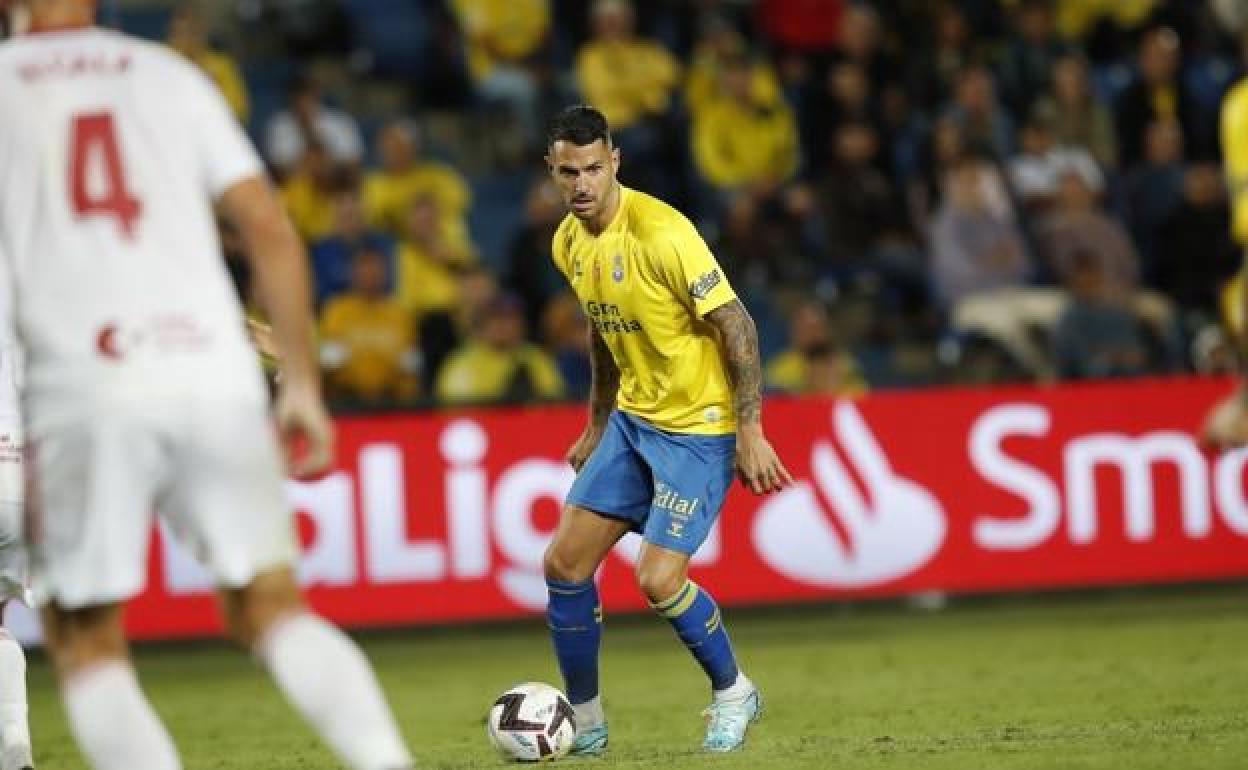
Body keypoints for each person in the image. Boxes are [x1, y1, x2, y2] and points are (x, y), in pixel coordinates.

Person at [0, 3, 413, 770]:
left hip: (84, 383)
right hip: (209, 368)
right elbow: (268, 227)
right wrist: (301, 382)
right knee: (272, 608)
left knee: (87, 641)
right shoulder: (170, 75)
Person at [541, 105, 792, 755]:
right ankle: (587, 724)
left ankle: (735, 691)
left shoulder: (662, 234)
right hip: (632, 421)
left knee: (656, 579)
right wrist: (598, 419)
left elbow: (737, 324)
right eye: (568, 171)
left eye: (594, 167)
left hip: (698, 427)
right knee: (564, 564)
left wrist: (750, 429)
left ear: (615, 161)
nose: (582, 184)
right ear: (552, 169)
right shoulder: (568, 241)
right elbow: (602, 325)